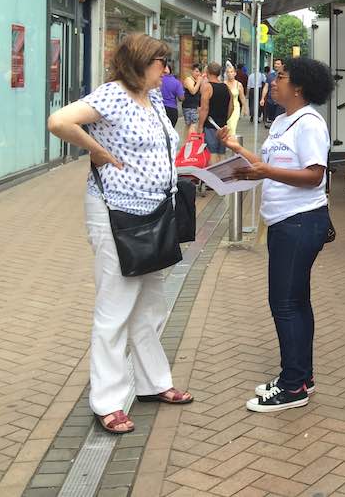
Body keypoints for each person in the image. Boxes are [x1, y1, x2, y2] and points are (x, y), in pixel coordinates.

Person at [46, 34, 194, 435]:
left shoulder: (154, 100)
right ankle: (108, 400)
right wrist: (96, 149)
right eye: (161, 62)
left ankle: (152, 382)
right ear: (139, 63)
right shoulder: (113, 95)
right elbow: (59, 121)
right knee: (115, 307)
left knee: (151, 303)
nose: (167, 69)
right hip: (118, 213)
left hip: (154, 213)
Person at [219, 57, 334, 412]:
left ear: (298, 87)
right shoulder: (284, 121)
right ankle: (302, 376)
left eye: (281, 77)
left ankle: (292, 386)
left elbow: (315, 175)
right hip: (285, 221)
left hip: (301, 222)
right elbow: (273, 164)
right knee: (296, 301)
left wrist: (265, 171)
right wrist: (239, 152)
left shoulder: (310, 124)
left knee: (284, 303)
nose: (274, 81)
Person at [197, 62, 233, 163]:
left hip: (210, 126)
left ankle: (212, 178)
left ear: (207, 71)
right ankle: (222, 177)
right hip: (222, 126)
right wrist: (224, 118)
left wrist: (200, 126)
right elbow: (232, 107)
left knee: (211, 153)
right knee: (221, 154)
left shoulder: (207, 87)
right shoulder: (226, 87)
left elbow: (204, 108)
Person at [224, 62, 248, 137]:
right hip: (225, 108)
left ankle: (232, 143)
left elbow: (242, 97)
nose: (229, 74)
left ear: (235, 73)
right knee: (226, 127)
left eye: (231, 72)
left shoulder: (239, 84)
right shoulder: (223, 84)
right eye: (228, 72)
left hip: (235, 108)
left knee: (232, 126)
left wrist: (245, 108)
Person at [261, 58, 286, 128]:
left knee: (278, 119)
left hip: (281, 102)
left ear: (282, 65)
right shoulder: (270, 76)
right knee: (272, 119)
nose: (276, 65)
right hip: (271, 101)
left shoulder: (285, 75)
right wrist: (262, 98)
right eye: (275, 64)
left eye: (278, 64)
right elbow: (266, 87)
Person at [159, 63, 184, 128]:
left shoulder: (157, 80)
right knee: (170, 131)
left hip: (159, 108)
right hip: (172, 110)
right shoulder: (176, 82)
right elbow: (181, 98)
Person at [180, 64, 202, 132]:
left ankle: (186, 141)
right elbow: (193, 91)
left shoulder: (196, 80)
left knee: (189, 126)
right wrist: (198, 82)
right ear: (192, 71)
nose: (198, 73)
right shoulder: (188, 79)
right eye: (196, 71)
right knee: (193, 125)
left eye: (199, 72)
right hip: (189, 106)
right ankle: (190, 142)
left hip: (194, 106)